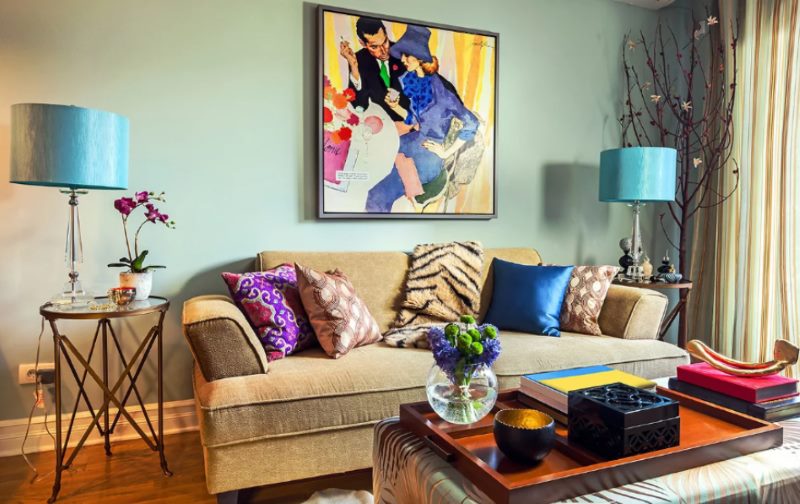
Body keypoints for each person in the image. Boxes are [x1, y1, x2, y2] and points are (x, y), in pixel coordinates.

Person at [365, 25, 479, 213]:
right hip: (412, 142)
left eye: (406, 56)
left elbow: (471, 123)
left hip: (427, 158)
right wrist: (397, 107)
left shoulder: (442, 91)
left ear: (419, 58)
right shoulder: (414, 80)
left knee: (377, 195)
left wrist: (446, 152)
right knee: (373, 162)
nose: (402, 59)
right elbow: (414, 119)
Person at [340, 17, 409, 122]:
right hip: (384, 126)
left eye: (385, 42)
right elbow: (359, 105)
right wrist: (354, 66)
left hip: (411, 122)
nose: (383, 51)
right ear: (363, 44)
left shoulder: (404, 53)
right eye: (374, 47)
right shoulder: (359, 60)